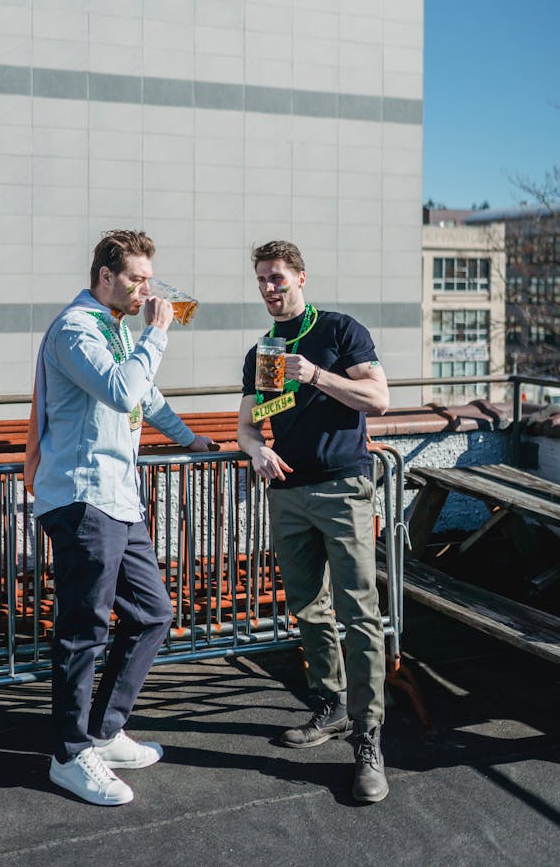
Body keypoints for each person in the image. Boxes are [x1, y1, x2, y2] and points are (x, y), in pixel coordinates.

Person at [25, 229, 212, 806]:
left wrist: (189, 441)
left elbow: (146, 397)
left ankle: (103, 732)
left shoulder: (113, 328)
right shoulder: (76, 329)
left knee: (153, 614)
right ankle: (69, 753)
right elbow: (121, 388)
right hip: (83, 498)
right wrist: (158, 330)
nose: (145, 290)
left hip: (118, 499)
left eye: (148, 279)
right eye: (136, 279)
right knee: (84, 628)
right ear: (105, 277)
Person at [237, 240, 390, 804]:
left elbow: (378, 399)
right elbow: (248, 424)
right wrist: (254, 450)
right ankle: (329, 707)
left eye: (277, 277)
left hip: (343, 487)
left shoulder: (340, 330)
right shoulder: (261, 351)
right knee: (308, 606)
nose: (269, 288)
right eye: (261, 280)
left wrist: (317, 374)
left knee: (359, 612)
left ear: (300, 277)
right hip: (288, 492)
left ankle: (368, 736)